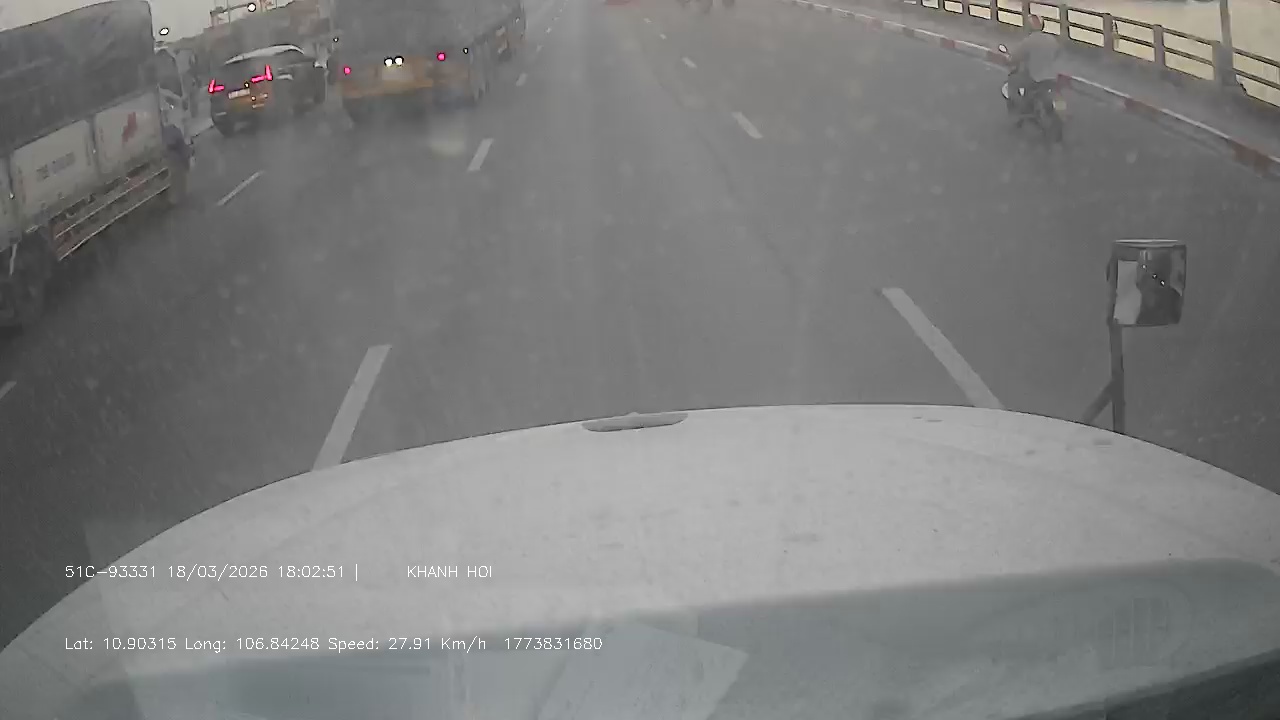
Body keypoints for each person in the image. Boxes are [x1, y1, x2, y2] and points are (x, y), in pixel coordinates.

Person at [1007, 15, 1060, 115]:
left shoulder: (1028, 41)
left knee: (1012, 82)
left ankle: (1022, 109)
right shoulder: (1052, 39)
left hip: (1035, 78)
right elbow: (1057, 54)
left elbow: (1015, 56)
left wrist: (1011, 60)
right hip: (1052, 78)